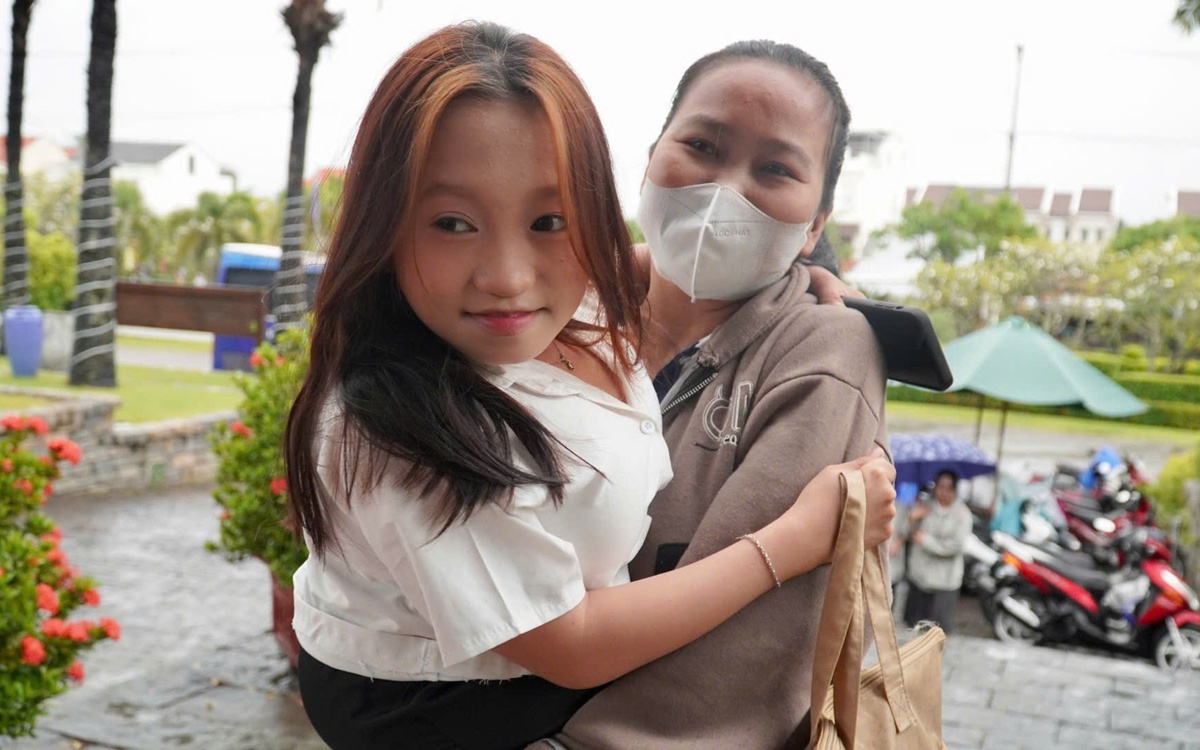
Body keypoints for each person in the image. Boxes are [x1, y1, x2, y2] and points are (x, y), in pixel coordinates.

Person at [281, 22, 896, 750]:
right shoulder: (403, 428)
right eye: (452, 222)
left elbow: (625, 260)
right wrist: (794, 541)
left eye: (547, 219)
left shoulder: (585, 303)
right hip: (455, 705)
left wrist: (800, 269)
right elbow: (571, 645)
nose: (507, 277)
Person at [554, 39, 893, 750]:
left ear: (815, 223)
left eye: (775, 168)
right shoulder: (549, 308)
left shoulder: (824, 352)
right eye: (703, 146)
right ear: (651, 157)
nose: (726, 190)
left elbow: (749, 650)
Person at [903, 469, 973, 633]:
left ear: (955, 490)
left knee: (936, 632)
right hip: (919, 578)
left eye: (948, 488)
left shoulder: (962, 515)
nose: (943, 492)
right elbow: (908, 535)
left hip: (944, 583)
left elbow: (956, 546)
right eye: (940, 487)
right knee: (913, 629)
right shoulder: (925, 506)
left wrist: (927, 541)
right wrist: (912, 518)